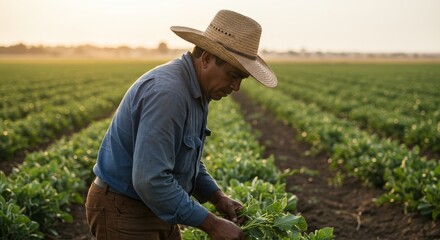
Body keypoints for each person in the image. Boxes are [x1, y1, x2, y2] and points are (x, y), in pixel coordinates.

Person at [85, 9, 277, 240]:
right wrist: (213, 225)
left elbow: (183, 157)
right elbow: (150, 179)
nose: (236, 87)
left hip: (155, 206)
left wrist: (217, 197)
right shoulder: (169, 94)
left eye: (241, 79)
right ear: (206, 59)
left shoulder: (195, 91)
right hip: (125, 210)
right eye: (233, 75)